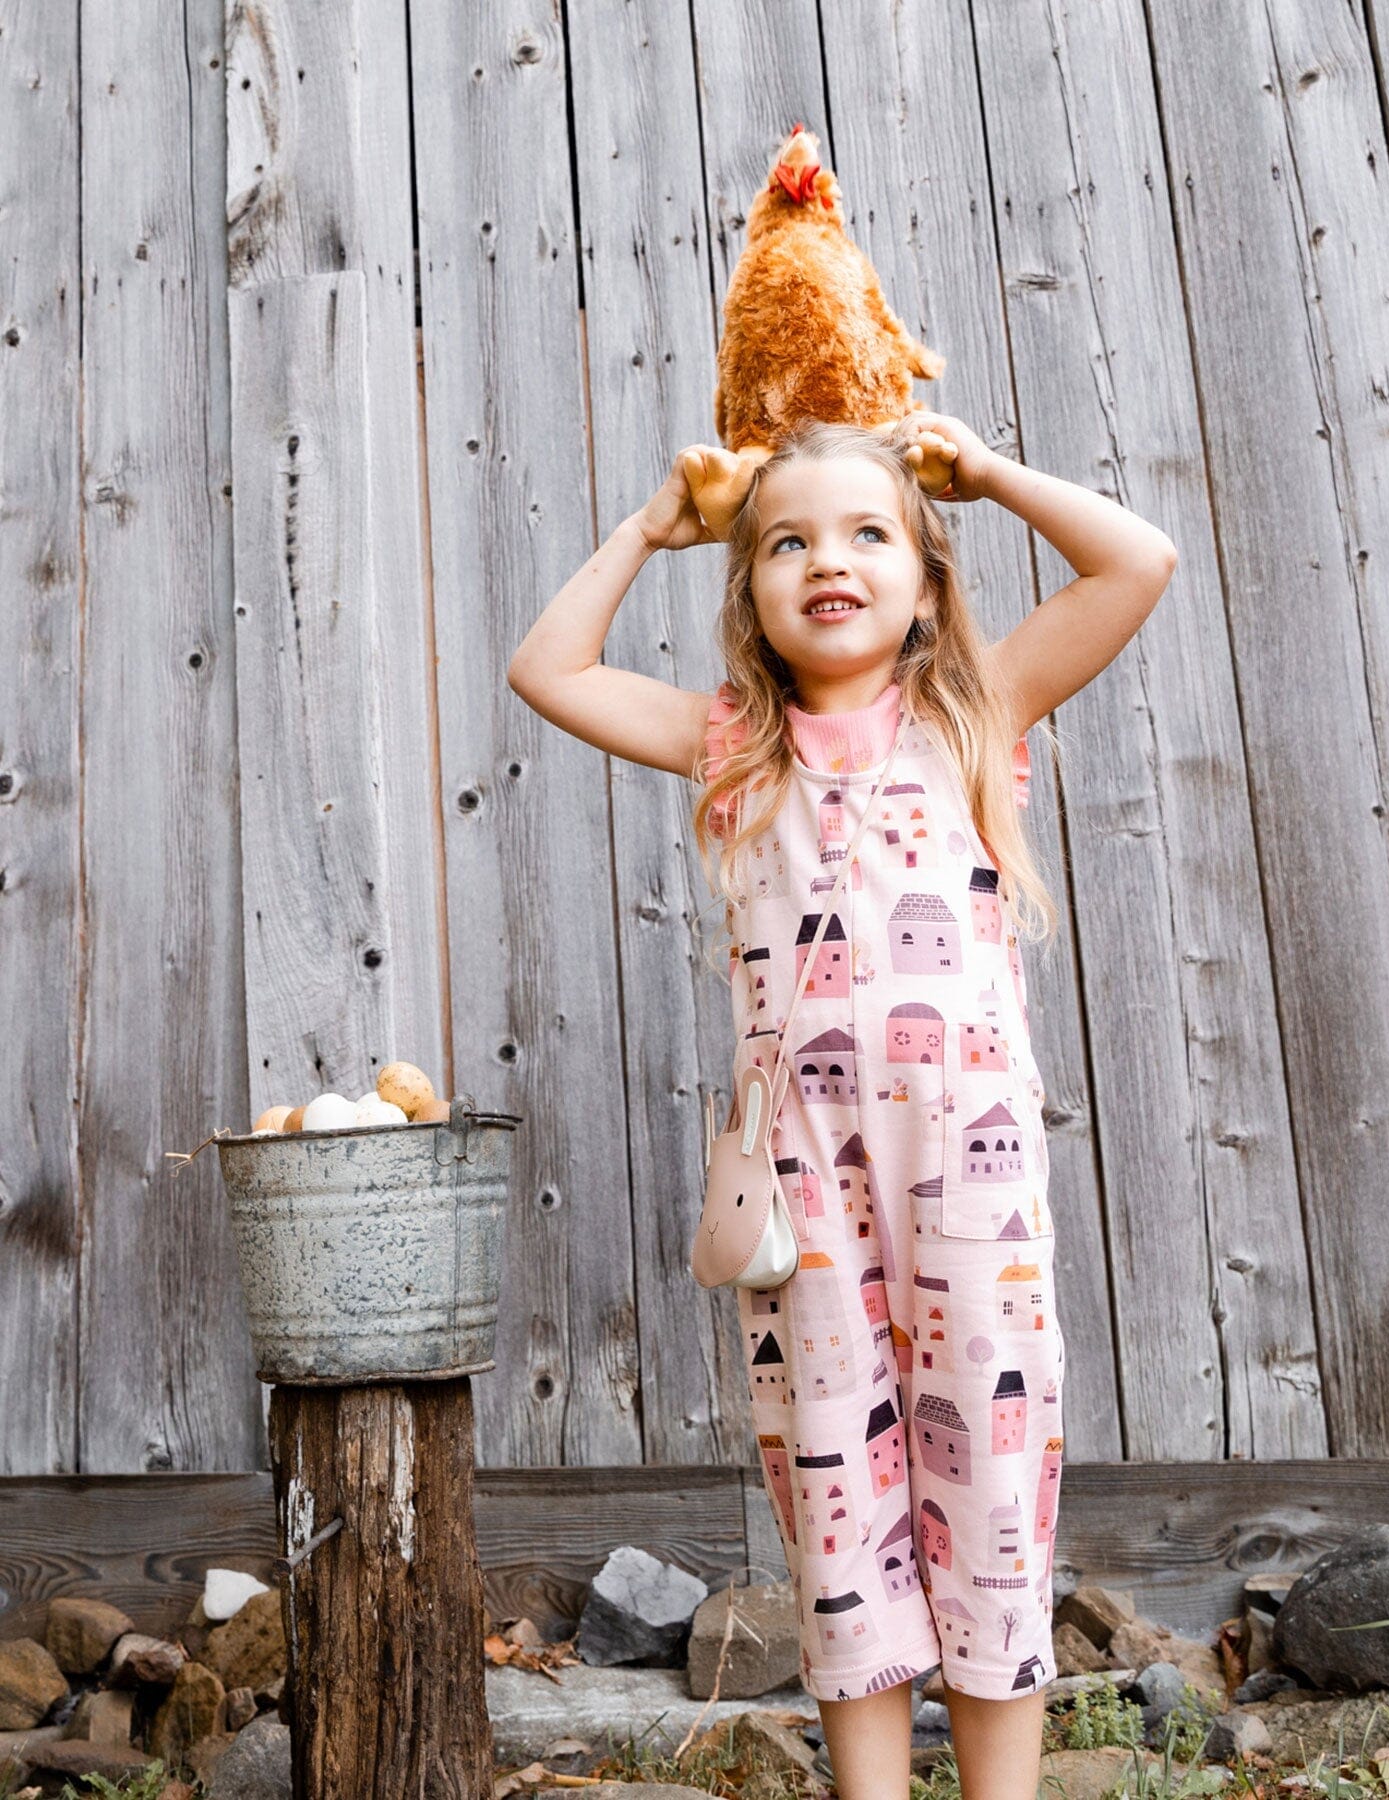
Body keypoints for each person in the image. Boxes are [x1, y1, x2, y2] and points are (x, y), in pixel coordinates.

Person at [508, 412, 1177, 1800]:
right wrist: (651, 526)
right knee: (836, 1491)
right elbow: (545, 668)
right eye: (790, 541)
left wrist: (988, 473)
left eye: (871, 534)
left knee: (988, 1494)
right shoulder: (732, 748)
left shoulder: (975, 711)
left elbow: (1139, 562)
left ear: (926, 580)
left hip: (969, 1179)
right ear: (750, 590)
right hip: (804, 1188)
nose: (831, 560)